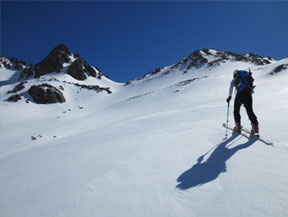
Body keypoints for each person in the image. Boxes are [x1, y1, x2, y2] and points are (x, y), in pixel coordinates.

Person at [226, 69, 259, 136]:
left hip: (239, 96)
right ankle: (255, 128)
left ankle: (238, 127)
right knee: (250, 111)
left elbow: (231, 87)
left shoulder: (234, 80)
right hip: (248, 95)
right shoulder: (247, 79)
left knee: (236, 110)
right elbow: (252, 91)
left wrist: (229, 96)